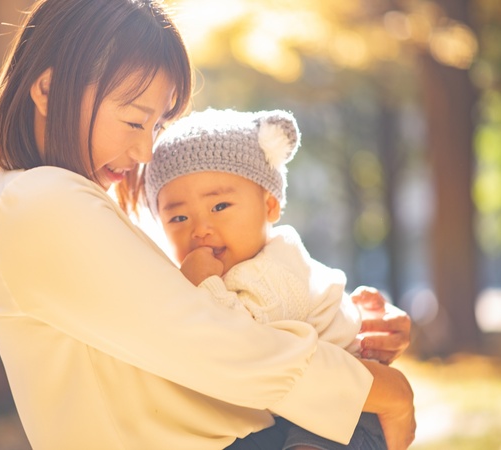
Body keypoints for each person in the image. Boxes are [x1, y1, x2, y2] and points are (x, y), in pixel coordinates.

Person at [0, 0, 415, 449]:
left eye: (157, 125)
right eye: (133, 120)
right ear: (47, 90)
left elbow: (232, 291)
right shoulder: (38, 201)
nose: (145, 151)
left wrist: (347, 321)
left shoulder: (49, 197)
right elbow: (218, 343)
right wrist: (381, 391)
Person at [143, 107, 403, 449]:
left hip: (352, 411)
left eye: (219, 207)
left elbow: (243, 345)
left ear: (270, 206)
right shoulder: (228, 271)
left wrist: (200, 287)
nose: (200, 229)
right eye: (178, 217)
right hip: (298, 408)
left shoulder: (277, 266)